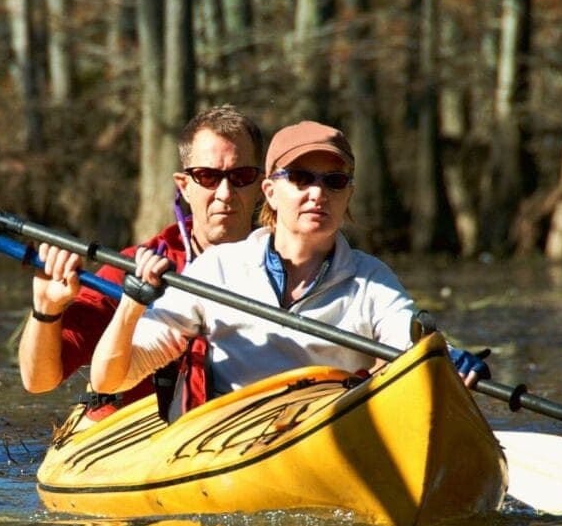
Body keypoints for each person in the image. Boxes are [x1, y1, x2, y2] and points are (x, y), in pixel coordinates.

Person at [89, 120, 487, 419]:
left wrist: (447, 357)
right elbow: (111, 380)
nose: (317, 193)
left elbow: (408, 336)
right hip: (227, 443)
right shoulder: (216, 271)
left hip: (327, 432)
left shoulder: (371, 281)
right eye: (300, 179)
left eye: (333, 182)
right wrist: (131, 305)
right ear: (270, 192)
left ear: (348, 193)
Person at [18, 104, 265, 417]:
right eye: (208, 177)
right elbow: (38, 381)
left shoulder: (292, 268)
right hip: (137, 434)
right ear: (184, 186)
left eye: (241, 176)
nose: (226, 193)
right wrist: (47, 309)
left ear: (261, 186)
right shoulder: (133, 268)